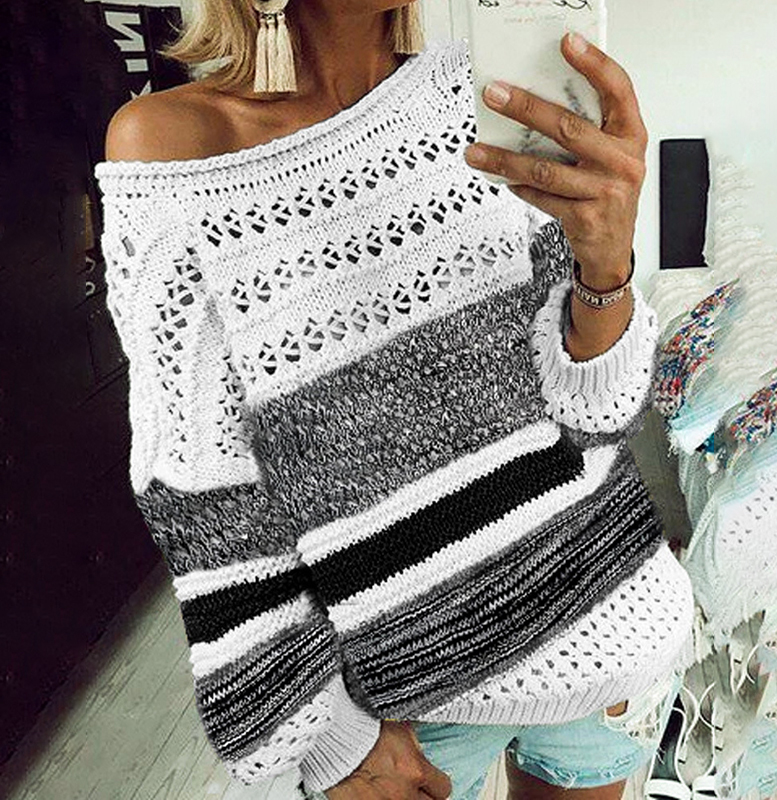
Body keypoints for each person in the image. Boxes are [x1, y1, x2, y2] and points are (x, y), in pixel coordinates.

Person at [94, 1, 697, 798]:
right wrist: (333, 745)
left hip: (614, 629)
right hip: (415, 713)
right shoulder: (172, 145)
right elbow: (200, 486)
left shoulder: (487, 94)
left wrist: (608, 268)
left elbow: (599, 416)